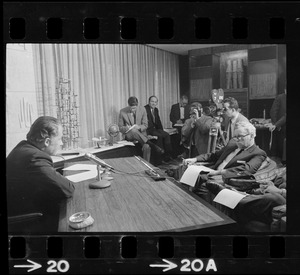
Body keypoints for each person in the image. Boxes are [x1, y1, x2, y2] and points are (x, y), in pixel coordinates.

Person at [6, 116, 75, 232]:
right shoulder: (34, 157)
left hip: (23, 208)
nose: (61, 143)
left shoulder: (24, 147)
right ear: (47, 141)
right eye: (59, 139)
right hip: (30, 219)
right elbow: (68, 189)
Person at [183, 121, 267, 186]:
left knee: (196, 180)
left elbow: (247, 170)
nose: (236, 140)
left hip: (223, 179)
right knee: (187, 172)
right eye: (235, 136)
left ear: (252, 136)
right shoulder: (232, 143)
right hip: (211, 172)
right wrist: (195, 159)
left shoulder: (258, 153)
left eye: (240, 137)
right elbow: (214, 155)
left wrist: (218, 172)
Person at [118, 96, 164, 162]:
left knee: (147, 147)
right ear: (128, 105)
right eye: (132, 108)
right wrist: (127, 128)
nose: (133, 110)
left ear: (137, 105)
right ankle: (152, 145)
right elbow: (120, 128)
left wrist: (139, 127)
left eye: (135, 108)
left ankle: (146, 167)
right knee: (133, 130)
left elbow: (145, 125)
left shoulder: (143, 109)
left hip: (141, 134)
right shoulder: (122, 112)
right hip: (129, 135)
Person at [144, 95, 173, 162]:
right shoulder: (145, 109)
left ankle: (168, 155)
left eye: (155, 102)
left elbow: (158, 121)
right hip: (149, 130)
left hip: (155, 129)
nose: (154, 103)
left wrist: (162, 131)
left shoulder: (156, 110)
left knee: (166, 135)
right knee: (159, 136)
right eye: (152, 101)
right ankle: (160, 157)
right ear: (149, 102)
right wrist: (147, 134)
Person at [269, 88, 286, 162]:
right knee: (281, 146)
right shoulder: (280, 97)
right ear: (285, 90)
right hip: (281, 127)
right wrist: (276, 125)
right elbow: (273, 112)